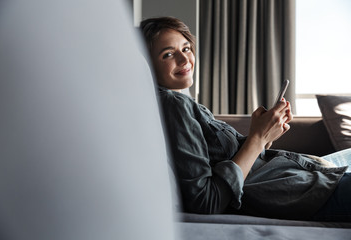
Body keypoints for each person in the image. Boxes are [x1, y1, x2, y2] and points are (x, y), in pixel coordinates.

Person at [140, 16, 351, 222]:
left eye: (186, 48)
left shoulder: (180, 101)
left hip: (305, 176)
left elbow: (240, 164)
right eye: (168, 54)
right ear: (147, 64)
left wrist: (266, 136)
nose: (185, 59)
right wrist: (257, 138)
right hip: (304, 192)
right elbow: (206, 200)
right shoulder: (173, 104)